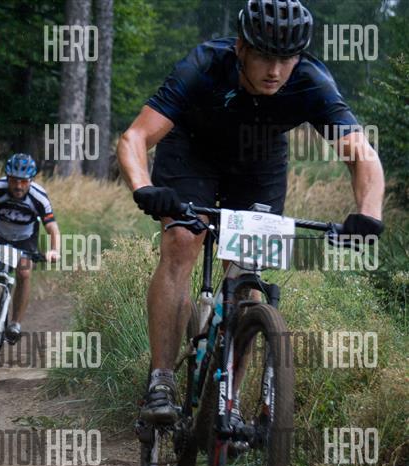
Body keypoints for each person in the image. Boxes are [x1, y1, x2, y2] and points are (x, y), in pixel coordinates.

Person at [117, 0, 385, 425]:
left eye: (287, 58)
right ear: (241, 47)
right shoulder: (205, 63)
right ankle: (161, 380)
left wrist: (368, 214)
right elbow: (134, 137)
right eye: (264, 56)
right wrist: (144, 188)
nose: (275, 71)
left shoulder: (311, 80)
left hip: (259, 162)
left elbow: (360, 153)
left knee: (248, 271)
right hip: (191, 151)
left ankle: (229, 400)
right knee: (183, 240)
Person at [0, 153, 60, 355]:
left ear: (31, 180)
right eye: (14, 180)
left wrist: (54, 250)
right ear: (8, 178)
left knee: (24, 273)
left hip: (25, 242)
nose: (18, 186)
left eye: (23, 181)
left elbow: (52, 227)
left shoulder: (39, 197)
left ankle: (15, 323)